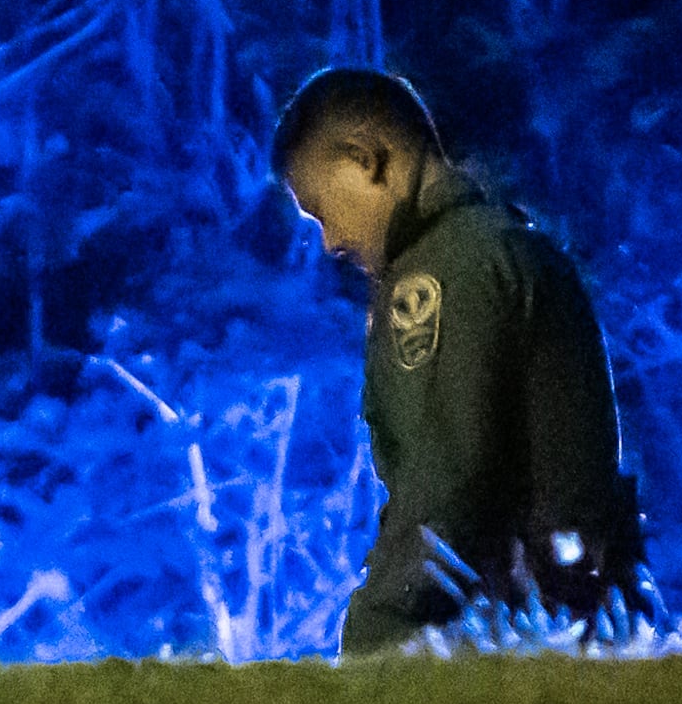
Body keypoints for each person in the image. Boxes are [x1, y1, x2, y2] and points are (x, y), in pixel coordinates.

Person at [270, 65, 649, 655]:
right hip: (578, 631)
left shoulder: (444, 272)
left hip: (514, 643)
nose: (330, 241)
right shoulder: (507, 244)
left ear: (366, 159)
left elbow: (445, 485)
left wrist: (377, 637)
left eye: (322, 209)